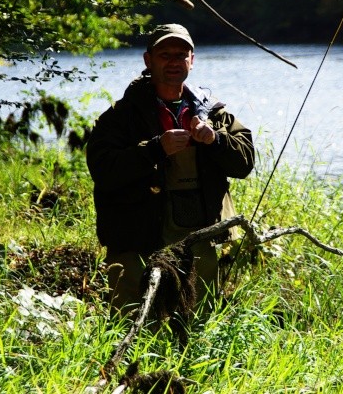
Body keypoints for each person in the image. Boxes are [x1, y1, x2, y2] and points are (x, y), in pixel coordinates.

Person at [86, 23, 255, 314]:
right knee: (131, 322)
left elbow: (244, 163)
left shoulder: (214, 113)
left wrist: (215, 140)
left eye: (181, 54)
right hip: (136, 238)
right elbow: (103, 170)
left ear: (192, 60)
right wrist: (155, 148)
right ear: (148, 60)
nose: (174, 61)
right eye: (165, 54)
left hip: (203, 237)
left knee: (200, 320)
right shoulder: (120, 116)